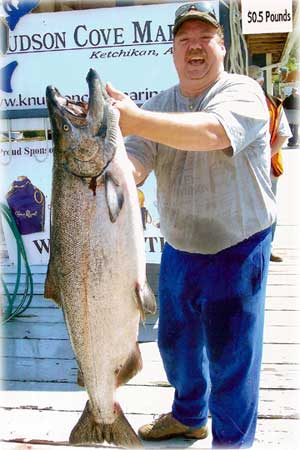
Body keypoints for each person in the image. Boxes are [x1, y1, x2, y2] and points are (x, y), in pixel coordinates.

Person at [107, 3, 276, 448]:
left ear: (222, 47)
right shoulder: (161, 103)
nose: (195, 46)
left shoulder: (242, 91)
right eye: (185, 39)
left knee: (232, 356)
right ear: (173, 51)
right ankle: (189, 416)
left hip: (238, 245)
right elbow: (136, 160)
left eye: (206, 37)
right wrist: (106, 162)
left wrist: (135, 118)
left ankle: (231, 442)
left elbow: (212, 132)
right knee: (176, 346)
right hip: (181, 244)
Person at [248, 65, 292, 262]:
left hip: (268, 168)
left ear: (260, 82)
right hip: (242, 169)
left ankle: (267, 248)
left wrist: (265, 157)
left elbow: (283, 134)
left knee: (268, 209)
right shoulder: (235, 103)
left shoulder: (274, 104)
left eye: (253, 80)